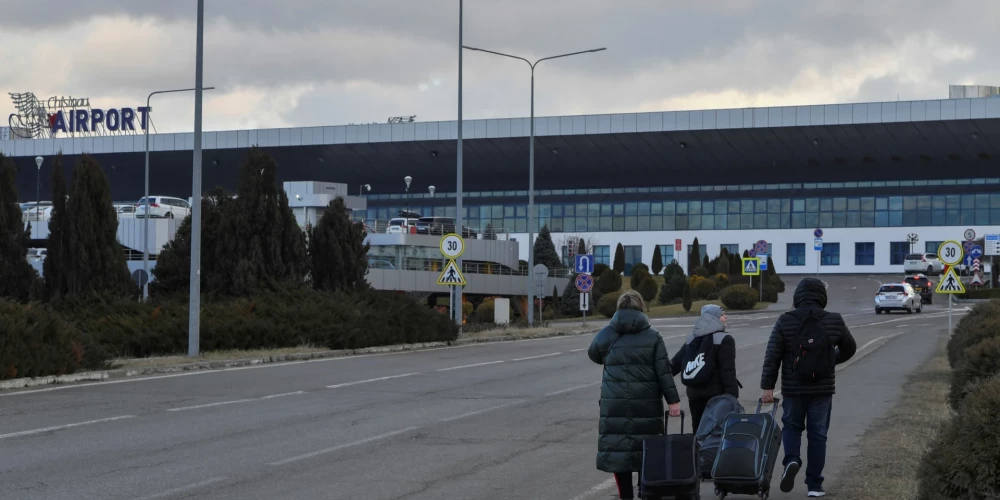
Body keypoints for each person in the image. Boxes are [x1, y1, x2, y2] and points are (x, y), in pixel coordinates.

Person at [760, 278, 857, 498]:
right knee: (818, 435)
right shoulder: (834, 320)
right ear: (822, 296)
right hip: (822, 389)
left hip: (793, 390)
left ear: (798, 296)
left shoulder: (785, 320)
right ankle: (815, 485)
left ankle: (792, 459)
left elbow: (772, 355)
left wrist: (767, 387)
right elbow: (850, 348)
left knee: (792, 427)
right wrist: (830, 360)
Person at [589, 290, 682, 500]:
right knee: (647, 451)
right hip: (647, 404)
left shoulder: (607, 333)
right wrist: (673, 401)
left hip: (615, 405)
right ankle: (645, 491)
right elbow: (663, 372)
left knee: (618, 454)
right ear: (641, 308)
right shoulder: (653, 336)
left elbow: (593, 353)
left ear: (619, 309)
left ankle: (626, 497)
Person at [670, 304, 739, 434]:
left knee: (698, 431)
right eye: (722, 315)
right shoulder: (724, 339)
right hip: (716, 396)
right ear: (713, 318)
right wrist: (733, 399)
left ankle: (697, 454)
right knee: (717, 434)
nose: (726, 317)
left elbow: (675, 364)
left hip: (694, 395)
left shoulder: (692, 339)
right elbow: (728, 373)